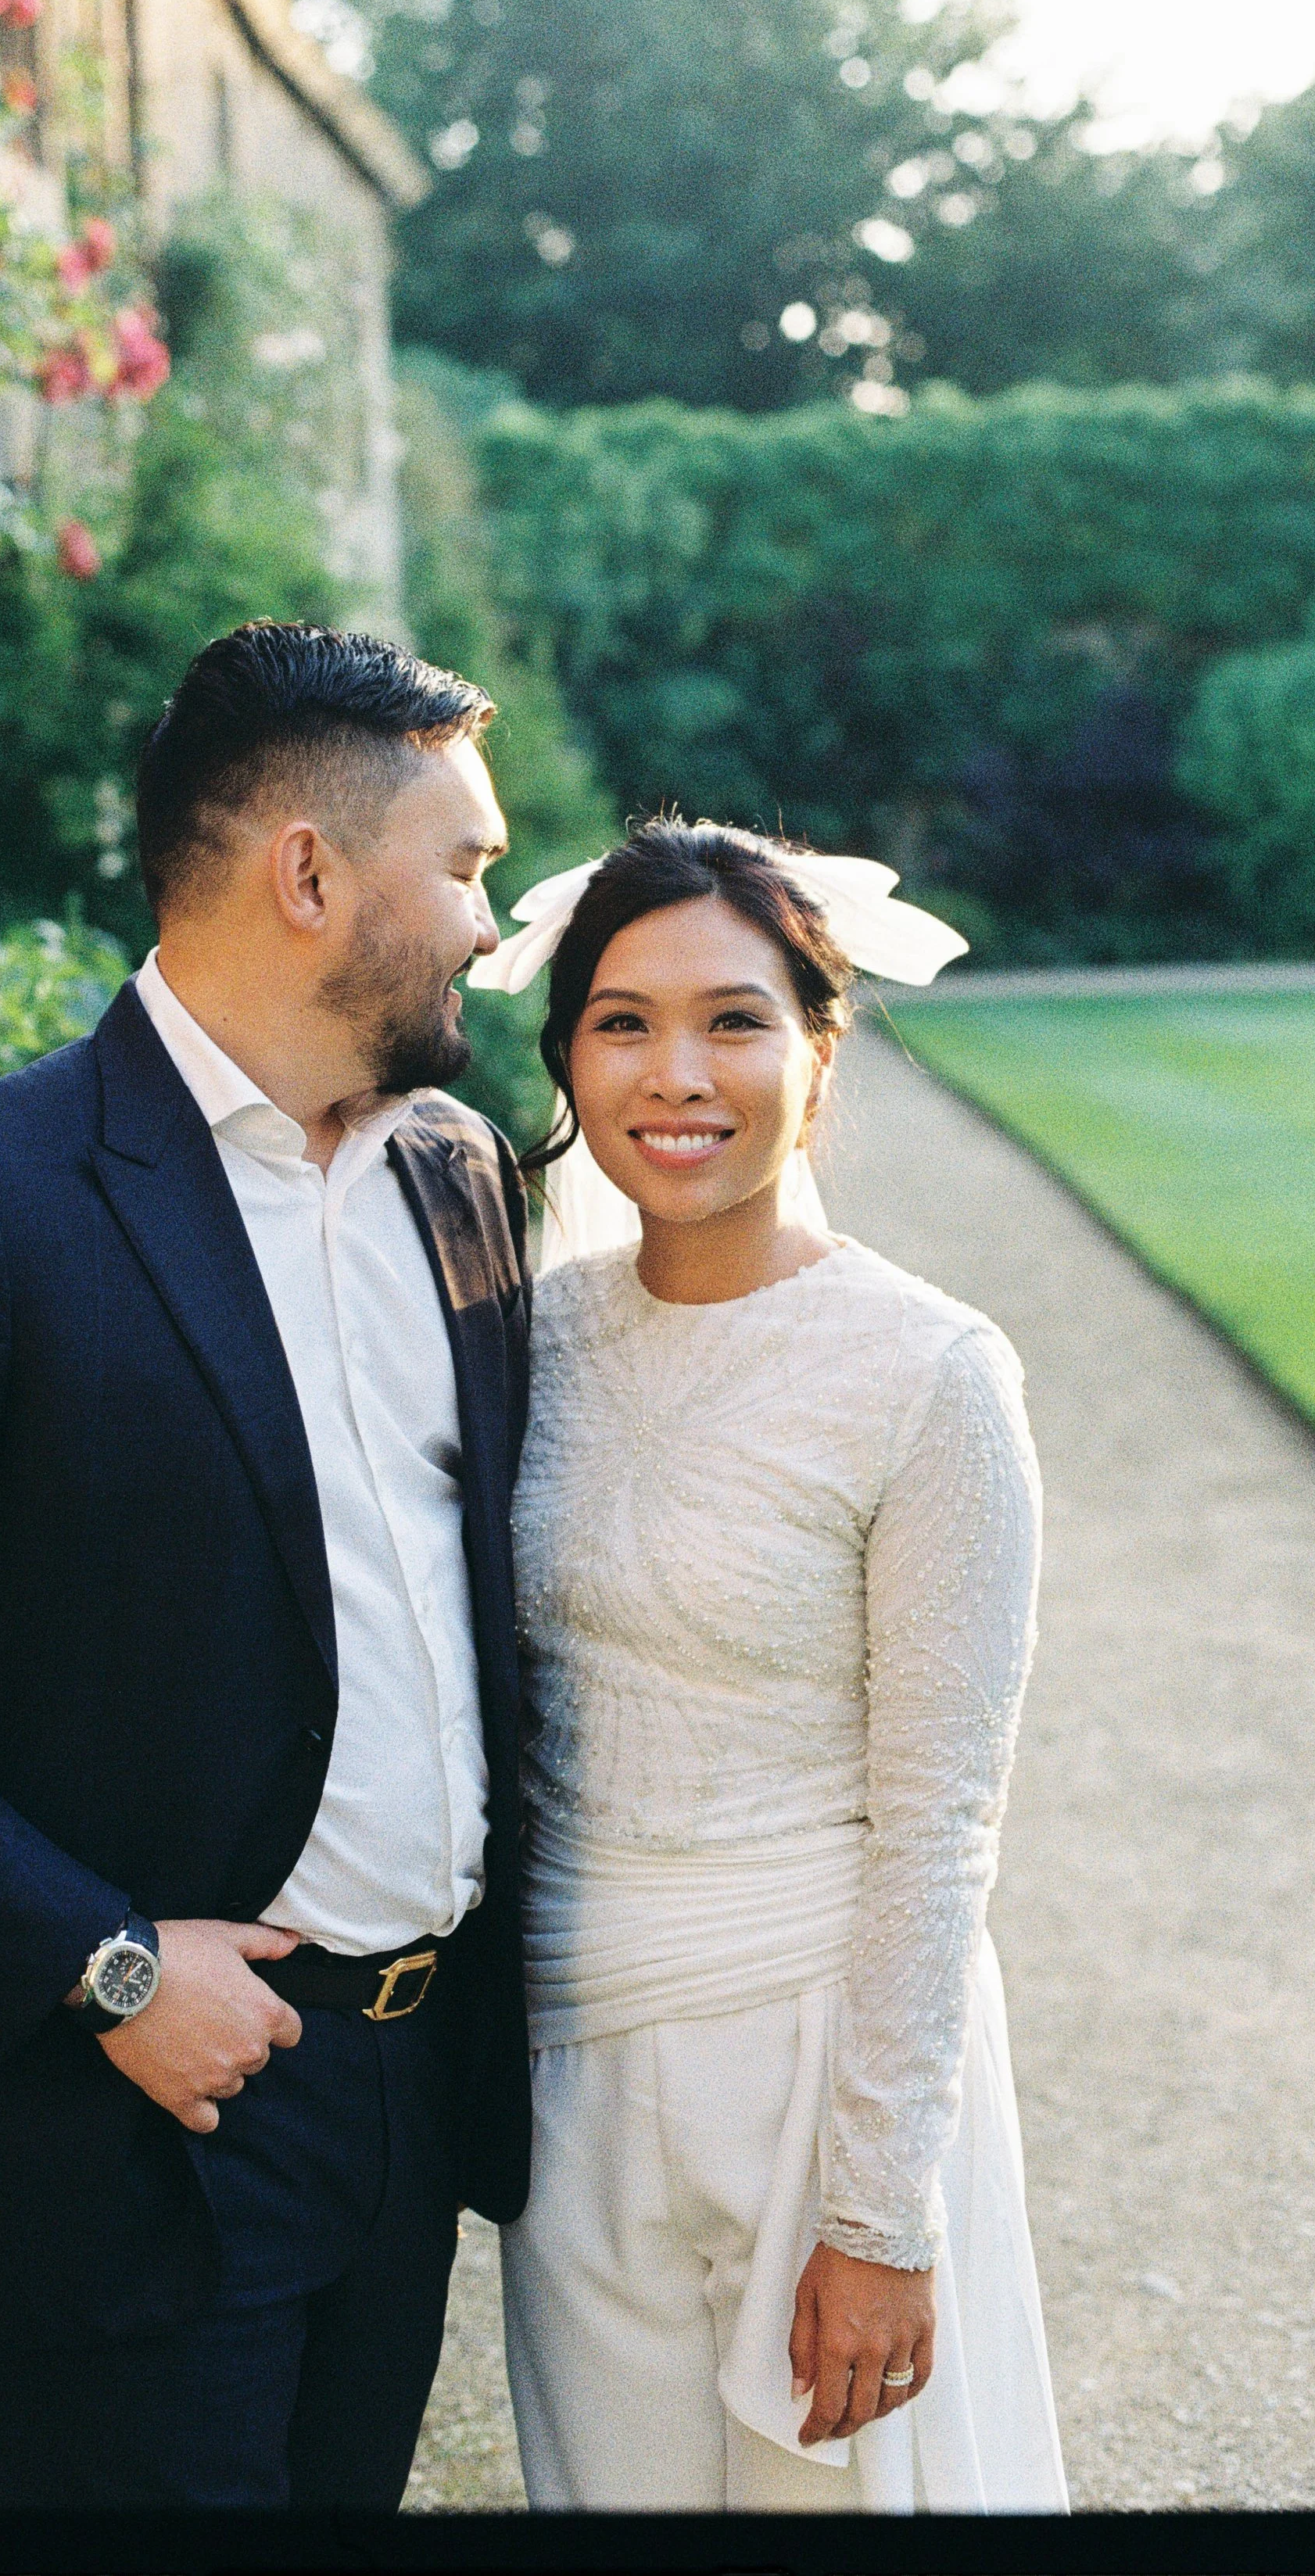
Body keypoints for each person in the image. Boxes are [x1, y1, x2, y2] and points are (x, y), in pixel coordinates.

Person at [0, 622, 531, 2513]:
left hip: (405, 2094)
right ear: (307, 873)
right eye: (464, 865)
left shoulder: (458, 1170)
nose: (491, 921)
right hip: (142, 2121)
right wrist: (112, 1965)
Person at [475, 819, 1069, 2513]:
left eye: (734, 1019)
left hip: (819, 2052)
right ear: (567, 1055)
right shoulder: (526, 1337)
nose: (677, 1072)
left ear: (818, 1049)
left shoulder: (928, 1371)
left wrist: (878, 2215)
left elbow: (937, 1814)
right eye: (620, 1019)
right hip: (568, 2064)